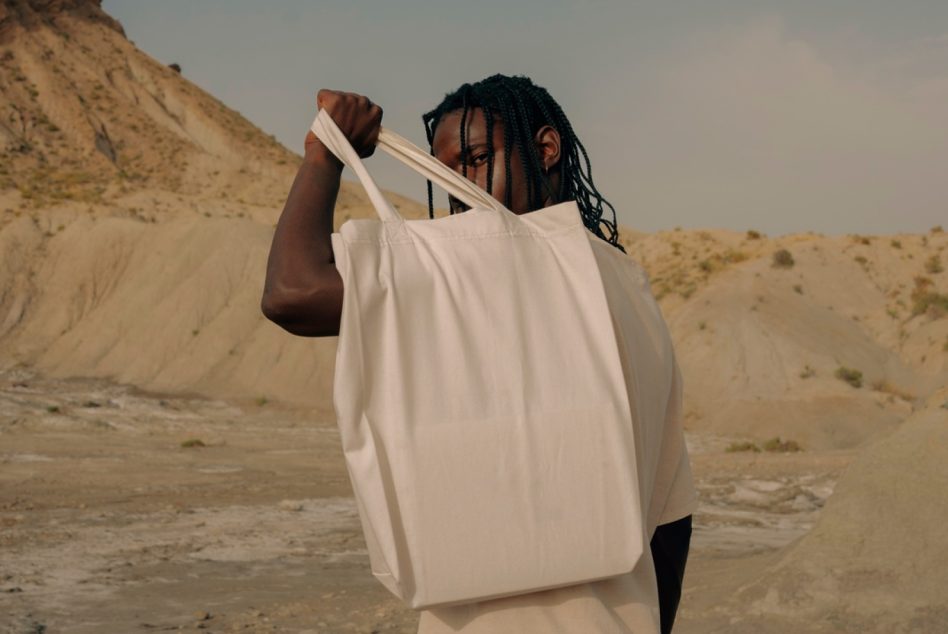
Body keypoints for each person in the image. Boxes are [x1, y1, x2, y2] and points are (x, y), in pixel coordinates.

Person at [262, 74, 696, 634]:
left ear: (545, 150)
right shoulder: (632, 290)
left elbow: (291, 294)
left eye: (474, 158)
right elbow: (670, 520)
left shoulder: (462, 272)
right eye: (447, 168)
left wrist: (325, 153)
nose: (455, 182)